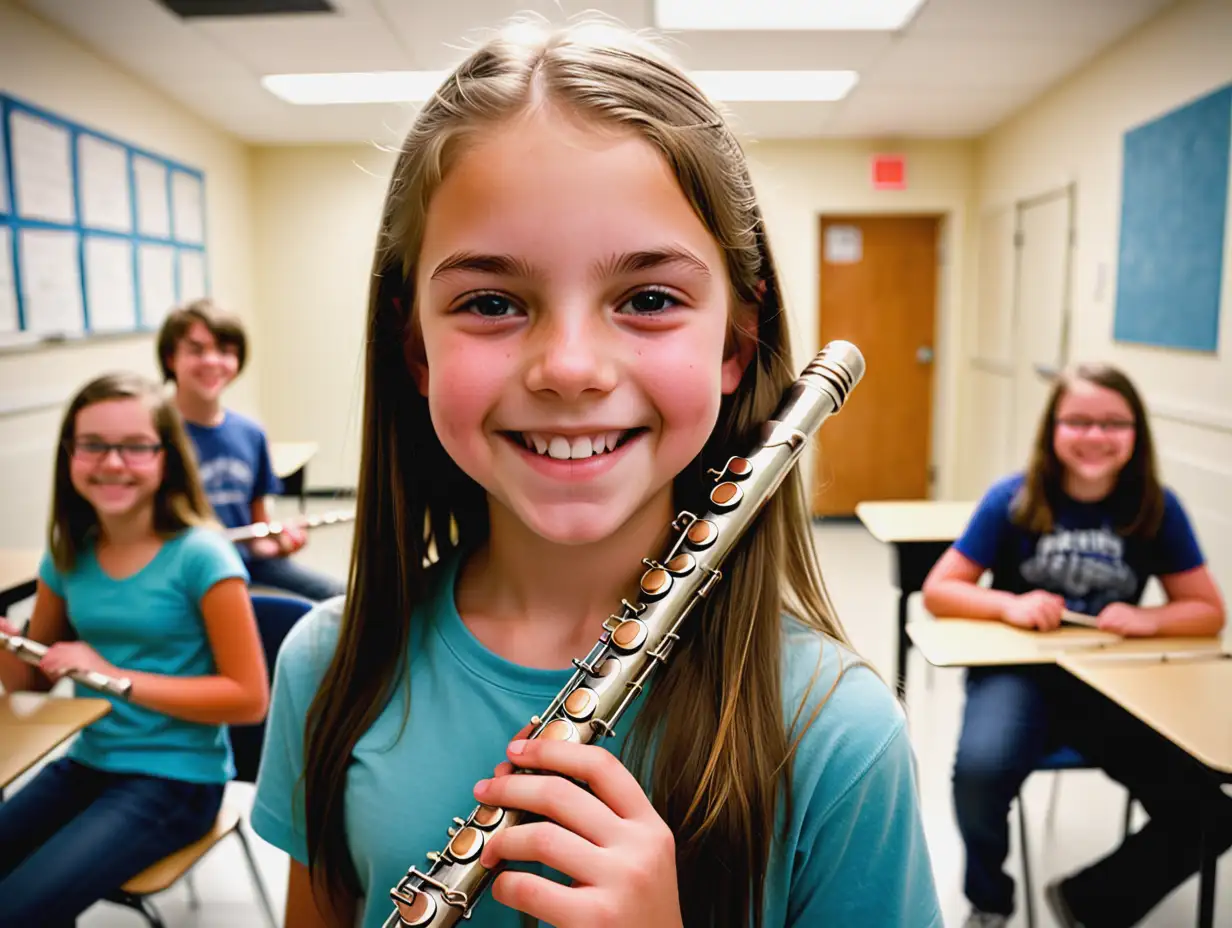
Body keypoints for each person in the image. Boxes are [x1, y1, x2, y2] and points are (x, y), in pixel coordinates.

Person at [249, 17, 943, 928]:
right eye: (492, 302)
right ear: (414, 347)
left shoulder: (838, 735)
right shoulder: (329, 666)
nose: (570, 367)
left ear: (737, 341)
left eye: (649, 299)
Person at [922, 362, 1230, 928]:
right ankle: (990, 899)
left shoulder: (1156, 505)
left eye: (1114, 423)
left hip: (1117, 684)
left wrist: (1148, 620)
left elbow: (1208, 612)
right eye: (1079, 421)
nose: (1095, 436)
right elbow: (940, 590)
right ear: (1052, 428)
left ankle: (1092, 902)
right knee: (980, 773)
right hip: (1019, 674)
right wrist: (1010, 605)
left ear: (1136, 433)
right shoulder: (1012, 498)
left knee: (1213, 810)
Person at [0, 371, 270, 924]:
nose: (112, 462)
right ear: (69, 455)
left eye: (135, 447)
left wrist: (107, 671)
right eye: (93, 445)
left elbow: (248, 699)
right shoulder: (68, 554)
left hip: (180, 778)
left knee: (18, 908)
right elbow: (33, 682)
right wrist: (8, 644)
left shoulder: (203, 557)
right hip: (88, 763)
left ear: (165, 456)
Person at [156, 300, 346, 601]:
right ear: (170, 358)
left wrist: (279, 543)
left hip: (248, 566)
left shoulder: (250, 434)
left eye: (225, 351)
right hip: (178, 574)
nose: (212, 361)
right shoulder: (151, 435)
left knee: (342, 599)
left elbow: (257, 533)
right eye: (196, 350)